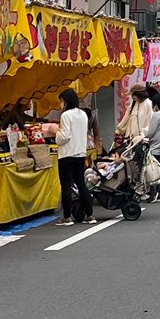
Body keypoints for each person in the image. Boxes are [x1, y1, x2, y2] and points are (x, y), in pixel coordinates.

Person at [56, 87, 94, 224]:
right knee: (81, 183)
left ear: (65, 101)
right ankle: (90, 214)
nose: (61, 105)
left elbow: (64, 136)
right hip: (80, 153)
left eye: (61, 101)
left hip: (67, 154)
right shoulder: (83, 114)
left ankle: (67, 217)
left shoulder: (66, 115)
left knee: (66, 185)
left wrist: (56, 132)